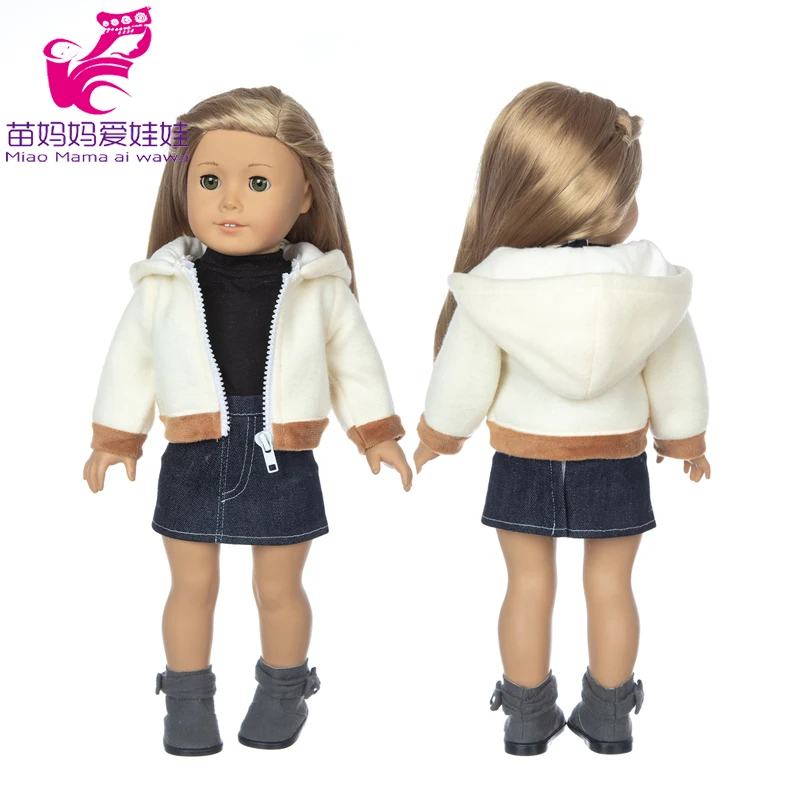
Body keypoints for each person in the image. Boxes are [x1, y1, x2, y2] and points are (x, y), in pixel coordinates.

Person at [83, 86, 412, 756]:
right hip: (194, 448)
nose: (229, 201)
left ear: (306, 195)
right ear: (183, 187)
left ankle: (284, 690)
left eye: (258, 183)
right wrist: (116, 439)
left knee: (278, 588)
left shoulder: (321, 286)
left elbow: (355, 365)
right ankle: (186, 699)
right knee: (191, 586)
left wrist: (375, 434)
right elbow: (130, 365)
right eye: (209, 181)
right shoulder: (163, 284)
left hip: (281, 453)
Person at [414, 82, 710, 756]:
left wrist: (439, 437)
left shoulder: (497, 283)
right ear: (610, 201)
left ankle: (526, 717)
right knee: (611, 585)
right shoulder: (650, 285)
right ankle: (610, 716)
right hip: (615, 454)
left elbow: (463, 376)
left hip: (525, 453)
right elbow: (678, 373)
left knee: (526, 584)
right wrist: (685, 440)